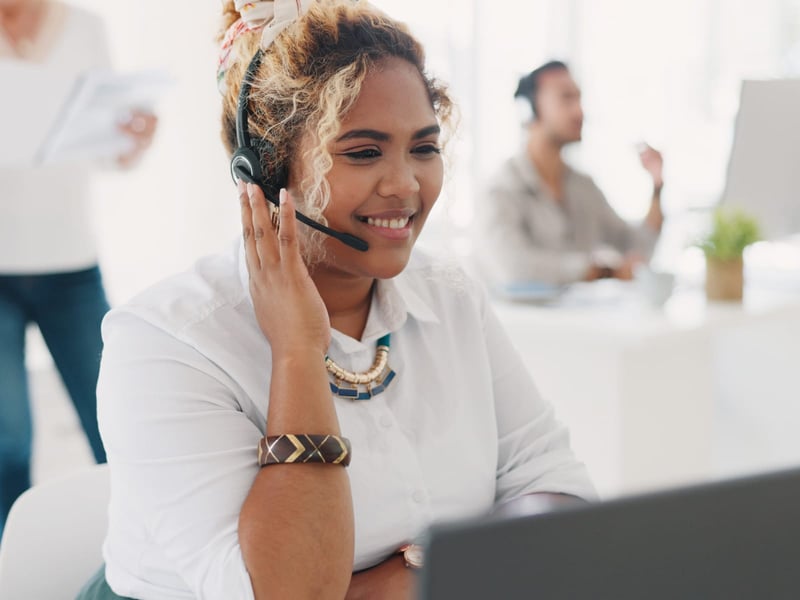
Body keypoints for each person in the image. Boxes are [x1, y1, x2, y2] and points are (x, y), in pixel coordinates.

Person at [79, 2, 595, 598]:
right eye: (363, 152)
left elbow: (560, 490)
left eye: (423, 148)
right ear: (267, 172)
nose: (405, 185)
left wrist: (418, 572)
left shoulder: (451, 297)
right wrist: (297, 352)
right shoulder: (166, 341)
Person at [0, 0, 157, 536]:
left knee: (115, 425)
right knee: (7, 443)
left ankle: (133, 553)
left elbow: (110, 151)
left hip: (70, 264)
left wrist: (134, 140)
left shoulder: (87, 28)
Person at [475, 60, 665, 286]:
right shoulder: (502, 187)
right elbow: (513, 268)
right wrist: (599, 270)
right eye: (566, 98)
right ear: (528, 108)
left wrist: (657, 185)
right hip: (522, 321)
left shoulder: (583, 187)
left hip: (579, 320)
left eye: (578, 98)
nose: (579, 111)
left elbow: (638, 247)